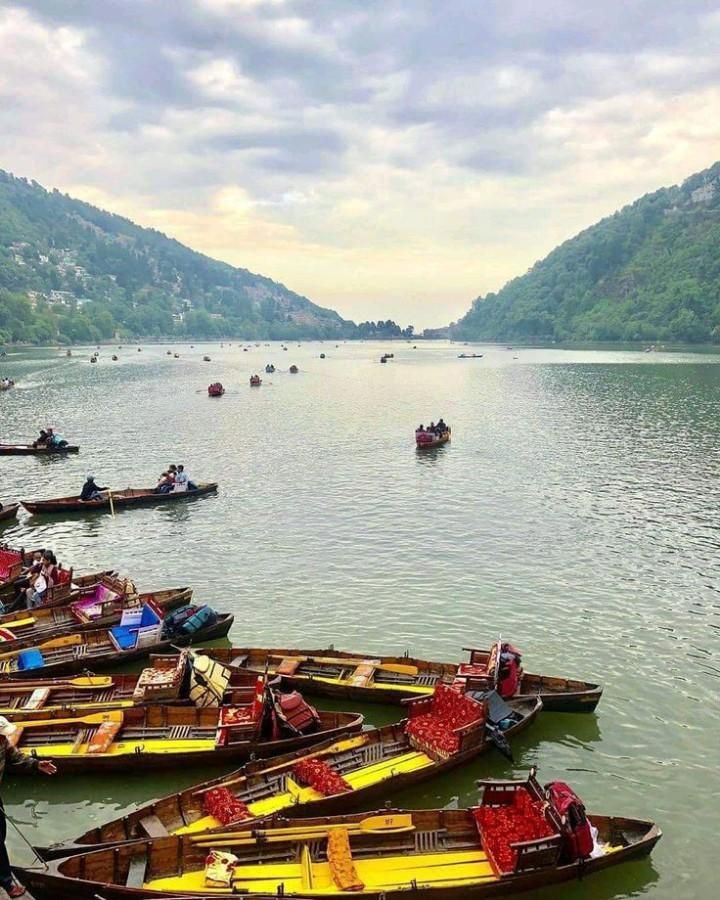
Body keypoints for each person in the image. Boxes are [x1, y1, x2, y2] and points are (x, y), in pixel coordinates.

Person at [0, 715, 57, 897]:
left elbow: (15, 757)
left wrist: (36, 764)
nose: (4, 738)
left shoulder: (3, 743)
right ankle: (8, 883)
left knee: (1, 833)